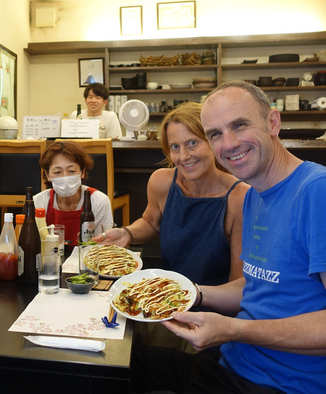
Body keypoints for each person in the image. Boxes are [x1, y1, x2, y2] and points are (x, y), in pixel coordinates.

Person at [132, 81, 326, 394]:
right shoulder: (255, 195)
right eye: (215, 134)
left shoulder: (324, 192)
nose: (227, 144)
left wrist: (233, 329)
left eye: (239, 125)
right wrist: (191, 293)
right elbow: (259, 284)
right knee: (112, 366)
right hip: (232, 365)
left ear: (273, 123)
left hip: (284, 385)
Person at [96, 102, 247, 286]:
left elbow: (238, 284)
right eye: (175, 147)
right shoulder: (161, 182)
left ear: (214, 140)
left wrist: (195, 299)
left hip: (213, 307)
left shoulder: (239, 197)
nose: (183, 156)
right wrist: (127, 233)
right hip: (165, 296)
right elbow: (152, 222)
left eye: (192, 143)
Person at [33, 141, 114, 244]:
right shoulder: (39, 202)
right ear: (47, 175)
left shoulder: (99, 201)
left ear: (82, 172)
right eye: (57, 172)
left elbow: (103, 245)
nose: (65, 177)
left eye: (71, 171)